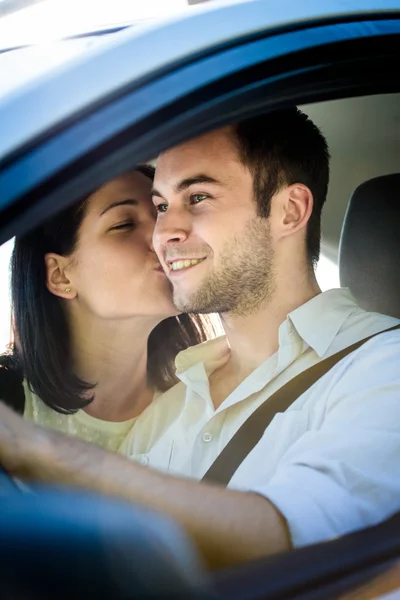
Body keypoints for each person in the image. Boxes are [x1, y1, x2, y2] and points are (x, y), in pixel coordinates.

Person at [1, 108, 400, 571]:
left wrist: (38, 450)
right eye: (164, 205)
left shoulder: (383, 370)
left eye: (199, 196)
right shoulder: (170, 406)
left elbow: (294, 537)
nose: (162, 233)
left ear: (289, 211)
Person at [0, 165, 213, 454]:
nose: (162, 235)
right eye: (124, 224)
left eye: (160, 211)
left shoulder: (206, 403)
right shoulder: (9, 411)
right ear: (60, 275)